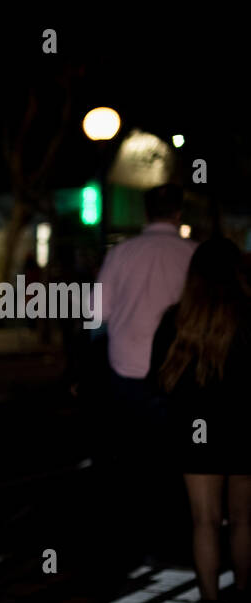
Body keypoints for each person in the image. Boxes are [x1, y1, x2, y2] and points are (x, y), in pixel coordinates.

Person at [149, 237, 251, 603]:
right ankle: (243, 598)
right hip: (244, 426)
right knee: (244, 520)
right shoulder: (249, 315)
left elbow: (158, 380)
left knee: (204, 521)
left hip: (197, 431)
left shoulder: (177, 318)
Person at [96, 184, 196, 563]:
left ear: (146, 213)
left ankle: (136, 540)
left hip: (127, 367)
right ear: (178, 213)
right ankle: (175, 537)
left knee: (133, 458)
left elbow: (97, 313)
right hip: (179, 370)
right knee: (176, 458)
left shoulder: (122, 253)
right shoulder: (192, 254)